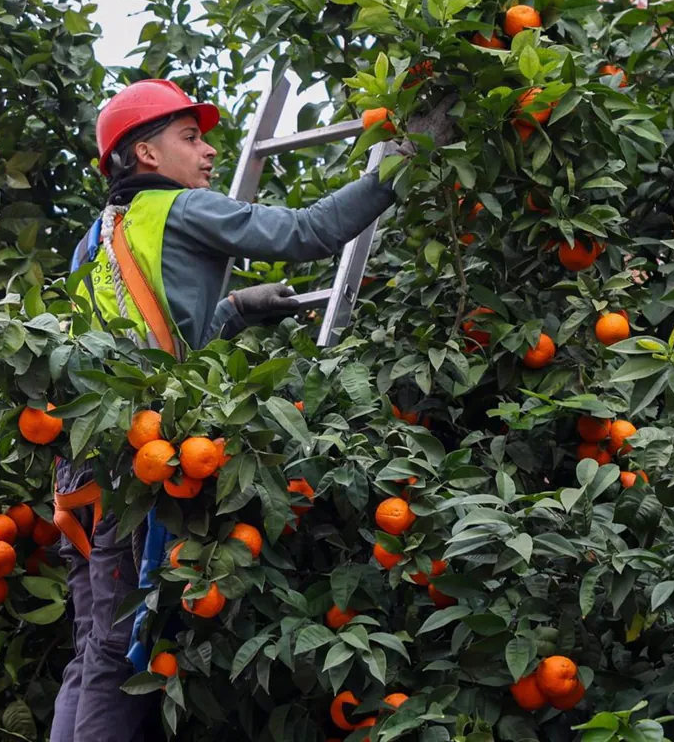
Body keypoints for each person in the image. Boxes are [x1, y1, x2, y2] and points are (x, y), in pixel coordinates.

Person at [50, 78, 426, 741]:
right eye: (190, 138)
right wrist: (403, 159)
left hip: (79, 468)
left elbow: (150, 340)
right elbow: (311, 232)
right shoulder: (182, 207)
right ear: (146, 156)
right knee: (118, 653)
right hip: (133, 468)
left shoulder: (94, 240)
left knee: (92, 647)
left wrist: (234, 310)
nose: (210, 153)